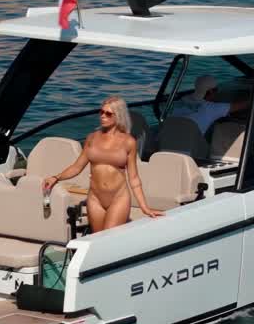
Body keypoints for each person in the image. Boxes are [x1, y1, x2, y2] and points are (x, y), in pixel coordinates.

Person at [42, 96, 163, 232]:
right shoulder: (91, 138)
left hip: (118, 198)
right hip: (95, 198)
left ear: (119, 116)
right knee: (97, 238)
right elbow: (77, 167)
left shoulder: (128, 142)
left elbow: (134, 178)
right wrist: (56, 177)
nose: (103, 116)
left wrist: (144, 208)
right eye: (101, 112)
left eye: (108, 114)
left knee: (109, 238)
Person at [169, 75, 248, 134]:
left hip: (168, 143)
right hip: (190, 151)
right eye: (216, 90)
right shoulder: (210, 108)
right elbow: (242, 105)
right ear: (210, 91)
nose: (217, 93)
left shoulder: (181, 101)